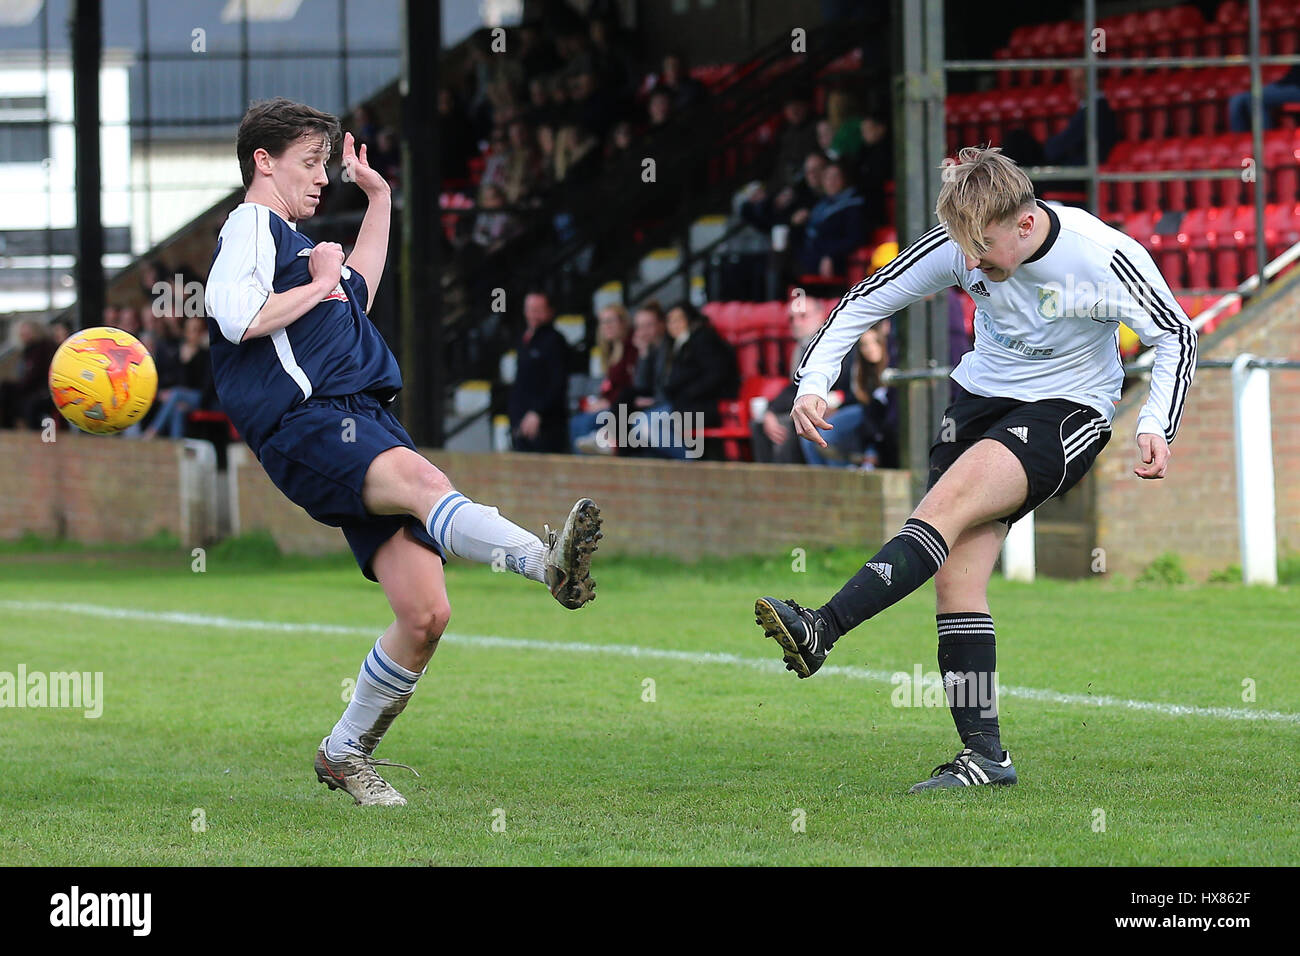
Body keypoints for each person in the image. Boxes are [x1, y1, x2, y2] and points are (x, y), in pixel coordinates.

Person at [753, 146, 1195, 793]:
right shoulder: (962, 245)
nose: (973, 265)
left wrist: (1156, 421)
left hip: (1066, 412)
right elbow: (863, 301)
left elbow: (1176, 332)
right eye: (966, 252)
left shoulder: (1098, 256)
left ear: (1025, 222)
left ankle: (823, 626)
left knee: (944, 506)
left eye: (983, 250)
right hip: (978, 405)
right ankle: (986, 758)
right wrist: (814, 380)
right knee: (957, 581)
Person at [204, 98, 602, 807]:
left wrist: (378, 198)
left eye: (326, 163)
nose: (322, 177)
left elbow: (356, 287)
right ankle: (550, 565)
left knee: (425, 615)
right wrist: (324, 279)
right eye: (309, 162)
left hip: (359, 421)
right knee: (424, 481)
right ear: (263, 162)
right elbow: (237, 316)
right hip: (310, 423)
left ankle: (344, 753)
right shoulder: (251, 226)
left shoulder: (302, 251)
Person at [800, 322, 898, 469]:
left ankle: (842, 474)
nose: (869, 349)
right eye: (864, 345)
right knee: (809, 437)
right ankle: (826, 479)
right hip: (862, 412)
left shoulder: (892, 366)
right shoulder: (860, 369)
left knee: (828, 436)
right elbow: (855, 396)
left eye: (874, 343)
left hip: (875, 421)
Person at [508, 290, 571, 453]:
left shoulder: (555, 340)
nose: (533, 315)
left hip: (547, 424)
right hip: (521, 420)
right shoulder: (524, 339)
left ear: (549, 311)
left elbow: (558, 382)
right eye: (530, 309)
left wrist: (537, 413)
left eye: (538, 310)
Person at [571, 304, 638, 454]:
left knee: (585, 423)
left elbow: (629, 386)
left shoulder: (632, 348)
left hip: (625, 407)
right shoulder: (612, 350)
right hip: (613, 405)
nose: (606, 326)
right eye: (603, 322)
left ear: (623, 323)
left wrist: (608, 401)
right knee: (576, 421)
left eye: (610, 321)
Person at [143, 314, 212, 440]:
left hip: (201, 398)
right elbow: (177, 380)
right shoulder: (179, 354)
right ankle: (176, 445)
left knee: (176, 394)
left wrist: (189, 362)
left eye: (197, 330)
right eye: (191, 330)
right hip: (181, 398)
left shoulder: (206, 356)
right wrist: (184, 362)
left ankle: (153, 431)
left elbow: (207, 386)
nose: (194, 334)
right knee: (177, 408)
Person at [1229, 64, 1300, 132]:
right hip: (1284, 84)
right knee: (1236, 100)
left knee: (1255, 98)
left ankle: (1263, 138)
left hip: (1296, 87)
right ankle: (1239, 140)